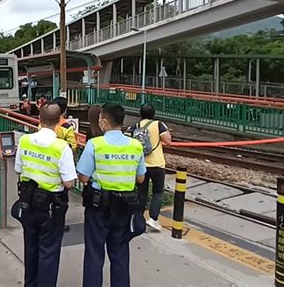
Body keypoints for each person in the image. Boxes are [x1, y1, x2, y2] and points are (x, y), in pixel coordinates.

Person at [77, 103, 146, 287]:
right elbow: (140, 179)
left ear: (104, 121)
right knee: (120, 254)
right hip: (124, 208)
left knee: (94, 253)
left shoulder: (95, 145)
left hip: (98, 207)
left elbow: (83, 176)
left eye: (100, 118)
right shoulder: (136, 145)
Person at [12, 102, 77, 287]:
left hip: (27, 203)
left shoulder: (25, 140)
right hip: (51, 208)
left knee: (30, 247)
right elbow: (69, 183)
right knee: (49, 251)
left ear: (39, 119)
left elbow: (18, 168)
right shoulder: (62, 147)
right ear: (59, 121)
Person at [129, 104, 172, 232]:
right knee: (158, 192)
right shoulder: (159, 124)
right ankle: (153, 219)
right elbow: (168, 140)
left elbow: (127, 139)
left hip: (141, 165)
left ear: (140, 113)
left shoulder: (135, 126)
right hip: (157, 164)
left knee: (142, 192)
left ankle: (138, 218)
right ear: (154, 113)